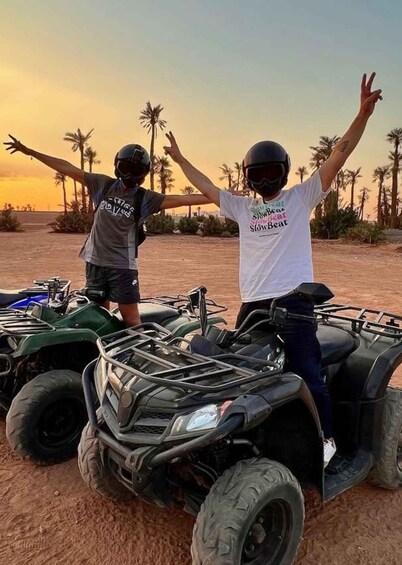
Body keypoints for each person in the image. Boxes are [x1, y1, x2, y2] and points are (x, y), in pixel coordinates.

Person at [163, 73, 383, 466]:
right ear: (248, 177)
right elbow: (209, 186)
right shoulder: (243, 208)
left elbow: (339, 154)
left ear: (284, 171)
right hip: (252, 305)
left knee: (306, 375)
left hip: (295, 304)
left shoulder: (302, 197)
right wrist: (179, 160)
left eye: (270, 172)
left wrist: (362, 115)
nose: (264, 179)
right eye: (257, 174)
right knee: (239, 372)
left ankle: (326, 442)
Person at [4, 136, 211, 326]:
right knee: (98, 318)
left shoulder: (145, 198)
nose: (129, 175)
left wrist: (221, 196)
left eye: (135, 171)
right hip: (95, 263)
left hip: (122, 267)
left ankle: (137, 358)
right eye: (125, 168)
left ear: (143, 175)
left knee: (131, 320)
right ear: (117, 166)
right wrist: (30, 151)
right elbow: (67, 168)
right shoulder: (103, 185)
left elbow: (183, 199)